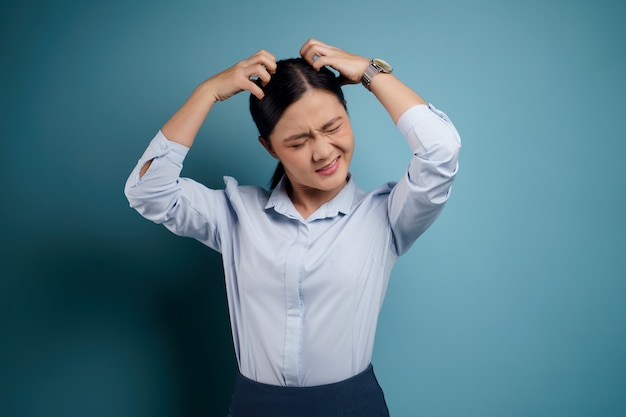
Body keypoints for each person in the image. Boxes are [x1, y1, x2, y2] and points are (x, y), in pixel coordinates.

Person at [124, 38, 461, 417]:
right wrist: (208, 92)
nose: (322, 151)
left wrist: (370, 72)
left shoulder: (386, 216)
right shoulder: (235, 214)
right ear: (270, 148)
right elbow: (147, 191)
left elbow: (440, 151)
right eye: (298, 141)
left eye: (333, 126)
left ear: (347, 114)